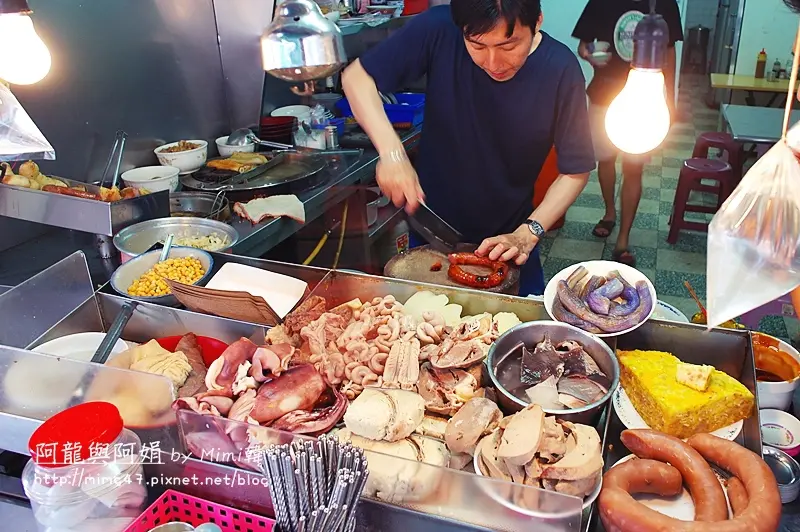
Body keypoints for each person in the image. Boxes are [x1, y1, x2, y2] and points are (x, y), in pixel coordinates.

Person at [341, 0, 596, 296]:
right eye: (476, 46)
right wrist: (392, 153)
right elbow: (357, 77)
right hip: (431, 235)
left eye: (508, 45)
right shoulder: (438, 27)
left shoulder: (561, 70)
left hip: (510, 241)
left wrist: (529, 233)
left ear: (537, 21)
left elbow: (575, 170)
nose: (493, 62)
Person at [572, 0, 683, 267]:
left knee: (634, 167)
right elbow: (582, 46)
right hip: (603, 94)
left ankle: (623, 238)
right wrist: (590, 54)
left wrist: (669, 97)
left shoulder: (664, 4)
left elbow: (669, 53)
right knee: (605, 160)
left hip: (645, 99)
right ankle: (610, 212)